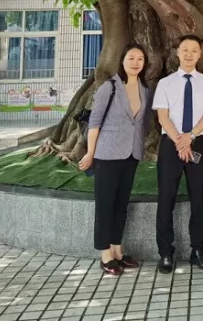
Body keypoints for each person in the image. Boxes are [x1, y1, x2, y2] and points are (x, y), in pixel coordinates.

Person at [78, 43, 151, 276]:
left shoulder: (145, 89)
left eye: (140, 59)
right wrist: (90, 153)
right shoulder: (109, 88)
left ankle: (118, 250)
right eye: (131, 58)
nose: (135, 62)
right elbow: (95, 122)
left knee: (121, 204)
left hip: (131, 154)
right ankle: (104, 253)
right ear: (122, 60)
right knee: (105, 204)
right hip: (107, 154)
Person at [153, 35, 203, 273]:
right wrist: (180, 142)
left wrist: (189, 137)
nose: (189, 54)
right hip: (171, 143)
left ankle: (199, 250)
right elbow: (163, 116)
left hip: (196, 141)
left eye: (194, 50)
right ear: (177, 53)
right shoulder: (165, 83)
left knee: (198, 197)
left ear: (200, 54)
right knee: (166, 198)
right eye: (185, 50)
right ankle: (165, 252)